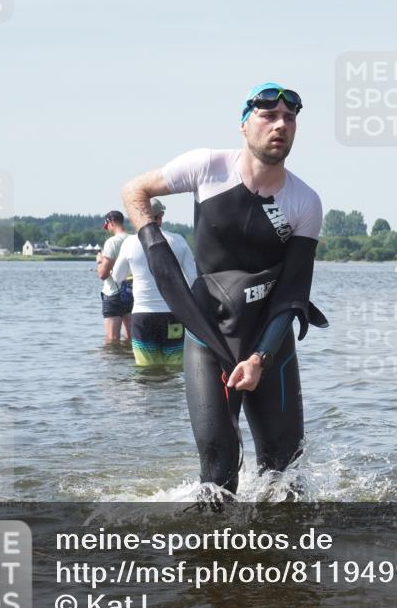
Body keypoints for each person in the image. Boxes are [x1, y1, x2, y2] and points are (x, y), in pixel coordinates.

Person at [121, 82, 327, 496]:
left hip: (269, 341)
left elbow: (291, 295)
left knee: (286, 476)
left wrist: (259, 357)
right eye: (269, 116)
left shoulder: (305, 202)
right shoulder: (208, 167)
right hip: (207, 333)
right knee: (218, 474)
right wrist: (152, 240)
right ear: (244, 125)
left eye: (289, 118)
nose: (280, 125)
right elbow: (134, 190)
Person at [111, 199, 196, 366]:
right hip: (174, 314)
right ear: (160, 216)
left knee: (145, 369)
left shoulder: (130, 243)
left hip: (143, 315)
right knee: (174, 367)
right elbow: (194, 279)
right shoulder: (178, 241)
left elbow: (117, 277)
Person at [97, 210, 133, 343]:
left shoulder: (112, 242)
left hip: (113, 293)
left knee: (112, 341)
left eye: (107, 226)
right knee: (131, 339)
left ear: (111, 223)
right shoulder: (134, 239)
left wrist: (99, 260)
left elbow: (103, 274)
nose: (108, 230)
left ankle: (115, 357)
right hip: (130, 292)